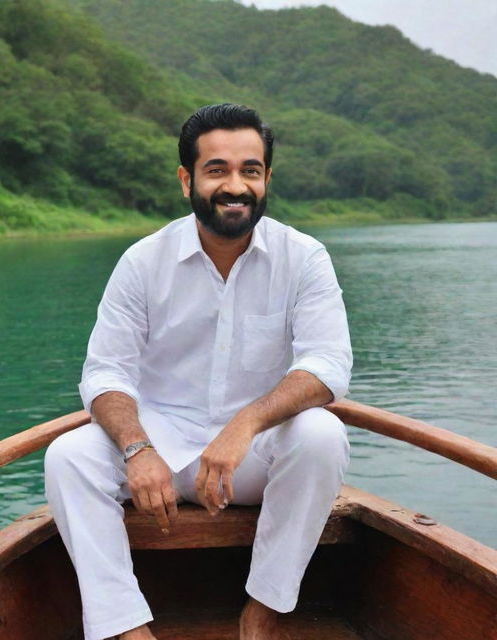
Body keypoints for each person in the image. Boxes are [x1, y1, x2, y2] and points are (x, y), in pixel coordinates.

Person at [45, 103, 351, 640]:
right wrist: (138, 448)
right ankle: (125, 628)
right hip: (159, 450)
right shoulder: (143, 262)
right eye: (218, 170)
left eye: (250, 171)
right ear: (187, 178)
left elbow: (327, 366)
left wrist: (245, 425)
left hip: (249, 462)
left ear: (266, 179)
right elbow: (105, 374)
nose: (236, 185)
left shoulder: (303, 258)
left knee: (323, 435)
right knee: (68, 457)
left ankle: (263, 613)